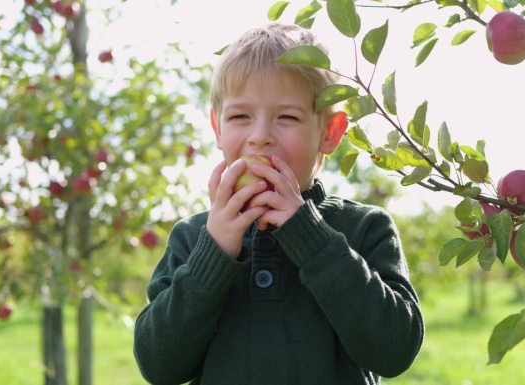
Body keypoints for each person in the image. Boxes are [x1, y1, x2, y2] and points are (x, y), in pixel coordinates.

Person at [133, 22, 424, 385]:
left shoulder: (364, 228)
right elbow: (158, 365)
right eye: (240, 117)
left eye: (286, 117)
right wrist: (215, 253)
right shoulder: (193, 238)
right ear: (218, 128)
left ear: (329, 132)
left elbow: (394, 351)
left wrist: (310, 236)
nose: (259, 138)